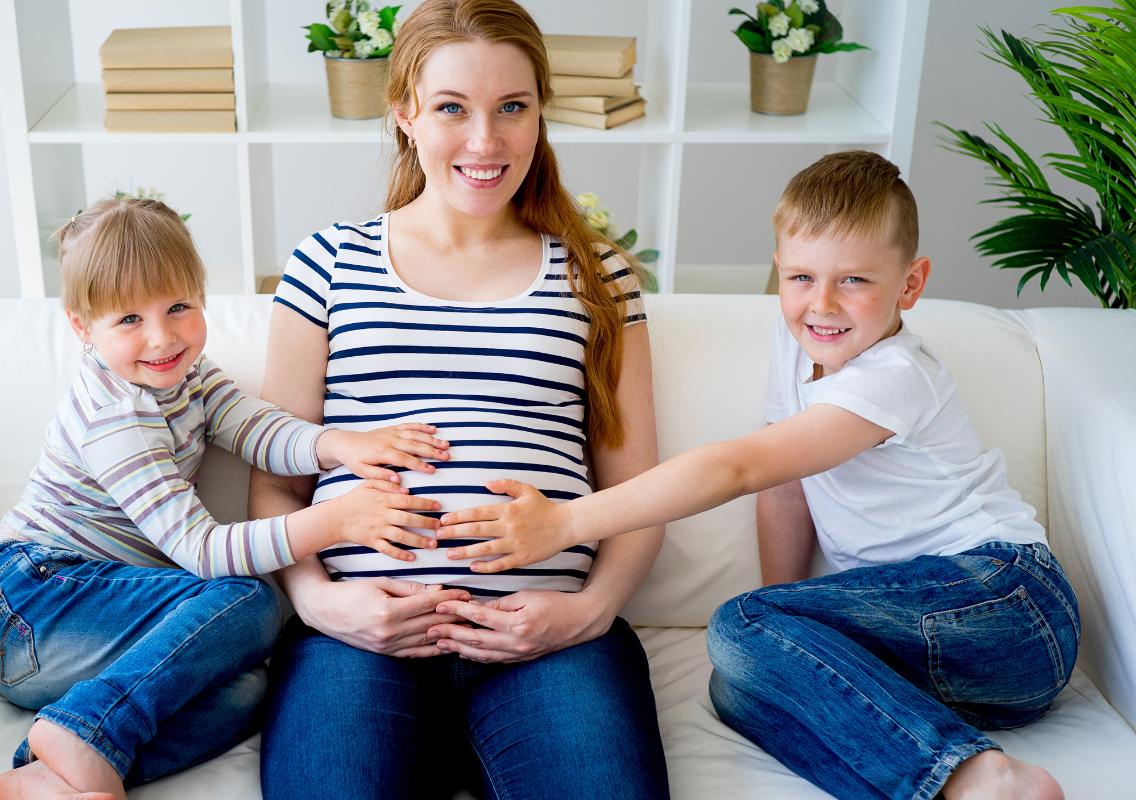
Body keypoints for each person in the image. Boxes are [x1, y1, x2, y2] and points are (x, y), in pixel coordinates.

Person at [438, 151, 1078, 800]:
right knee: (738, 686)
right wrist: (782, 629)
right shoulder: (798, 345)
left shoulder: (894, 376)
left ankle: (979, 778)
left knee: (739, 626)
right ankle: (934, 778)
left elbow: (742, 467)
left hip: (1008, 603)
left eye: (854, 280)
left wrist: (567, 521)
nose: (822, 304)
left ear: (911, 285)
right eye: (802, 277)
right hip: (935, 656)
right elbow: (784, 486)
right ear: (779, 272)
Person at [248, 1, 670, 797]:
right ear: (405, 113)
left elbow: (639, 491)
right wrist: (319, 603)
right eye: (452, 108)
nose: (486, 142)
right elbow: (277, 474)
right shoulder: (327, 263)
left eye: (513, 107)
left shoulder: (598, 275)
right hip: (359, 642)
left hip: (548, 637)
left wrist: (589, 613)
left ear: (541, 112)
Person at [0, 197, 450, 800]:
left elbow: (258, 428)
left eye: (178, 307)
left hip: (94, 634)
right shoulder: (115, 416)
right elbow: (202, 551)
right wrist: (334, 520)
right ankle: (86, 734)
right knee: (250, 601)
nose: (161, 337)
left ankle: (43, 768)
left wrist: (343, 447)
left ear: (203, 297)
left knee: (251, 690)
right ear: (81, 326)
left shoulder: (193, 378)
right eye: (128, 320)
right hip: (37, 603)